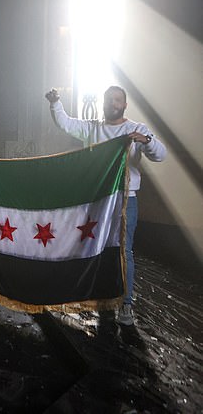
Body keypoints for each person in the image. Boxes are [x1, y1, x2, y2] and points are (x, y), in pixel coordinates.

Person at [45, 85, 166, 326]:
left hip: (124, 200)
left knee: (124, 251)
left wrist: (147, 140)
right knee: (97, 248)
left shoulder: (135, 129)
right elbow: (65, 123)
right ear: (102, 102)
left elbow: (160, 155)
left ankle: (126, 304)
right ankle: (103, 298)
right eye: (109, 99)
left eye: (117, 100)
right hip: (98, 201)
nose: (112, 103)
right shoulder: (93, 129)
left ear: (124, 105)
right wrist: (55, 103)